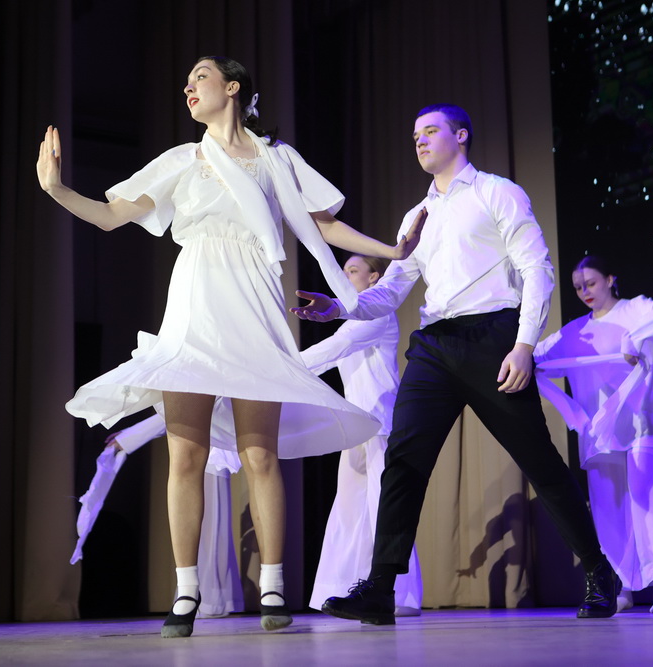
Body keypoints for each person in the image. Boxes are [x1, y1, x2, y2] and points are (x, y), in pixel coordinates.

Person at [35, 56, 422, 638]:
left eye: (201, 76)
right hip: (195, 309)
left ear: (233, 87)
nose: (188, 86)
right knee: (186, 456)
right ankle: (185, 591)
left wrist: (390, 252)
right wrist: (57, 189)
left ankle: (273, 586)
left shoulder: (276, 159)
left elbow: (323, 225)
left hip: (254, 309)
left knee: (259, 455)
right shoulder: (182, 160)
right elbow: (112, 217)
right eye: (187, 80)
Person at [292, 103, 620, 624]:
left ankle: (599, 571)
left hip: (493, 338)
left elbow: (537, 269)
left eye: (430, 131)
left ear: (461, 135)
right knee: (403, 459)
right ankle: (380, 588)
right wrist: (339, 308)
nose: (420, 141)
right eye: (414, 135)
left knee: (539, 460)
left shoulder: (497, 193)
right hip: (434, 346)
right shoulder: (417, 216)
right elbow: (390, 292)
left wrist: (524, 344)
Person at [533, 255, 653, 613]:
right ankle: (623, 586)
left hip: (643, 424)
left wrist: (636, 339)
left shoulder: (636, 311)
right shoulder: (575, 332)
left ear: (610, 279)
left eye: (591, 283)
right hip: (600, 433)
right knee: (608, 510)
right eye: (578, 287)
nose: (584, 291)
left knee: (645, 498)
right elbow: (536, 358)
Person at [301, 255, 422, 615]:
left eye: (353, 271)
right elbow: (327, 357)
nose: (345, 275)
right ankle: (339, 590)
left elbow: (333, 350)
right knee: (349, 509)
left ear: (374, 278)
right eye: (344, 270)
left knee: (383, 508)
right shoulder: (353, 320)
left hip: (381, 424)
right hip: (357, 427)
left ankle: (401, 595)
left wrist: (280, 368)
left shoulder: (377, 314)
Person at [72, 413, 244, 619]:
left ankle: (211, 600)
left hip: (208, 454)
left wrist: (129, 437)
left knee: (210, 530)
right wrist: (129, 437)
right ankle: (211, 599)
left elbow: (170, 415)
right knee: (206, 531)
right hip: (202, 453)